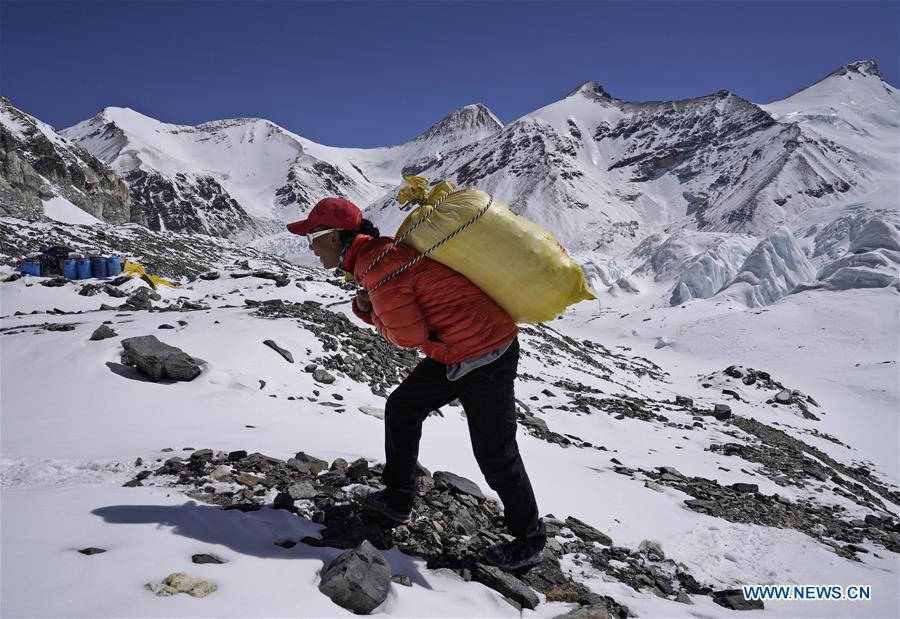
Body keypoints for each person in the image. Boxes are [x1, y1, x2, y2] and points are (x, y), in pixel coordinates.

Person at [287, 196, 546, 571]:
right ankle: (397, 498)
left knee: (495, 452)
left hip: (486, 353)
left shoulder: (378, 269)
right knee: (403, 407)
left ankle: (530, 540)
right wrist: (370, 308)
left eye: (312, 235)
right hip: (456, 350)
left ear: (333, 237)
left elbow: (407, 336)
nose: (310, 245)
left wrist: (370, 312)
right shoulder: (376, 257)